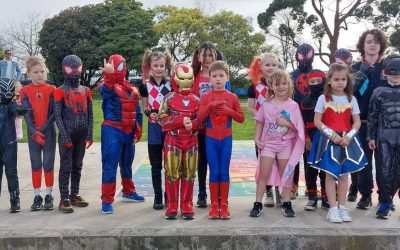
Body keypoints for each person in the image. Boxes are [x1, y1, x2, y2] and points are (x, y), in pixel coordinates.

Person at [308, 63, 367, 223]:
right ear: (329, 81)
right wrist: (332, 135)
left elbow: (356, 122)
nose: (340, 82)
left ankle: (342, 207)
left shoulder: (351, 99)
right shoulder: (323, 98)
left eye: (343, 79)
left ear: (347, 81)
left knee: (344, 175)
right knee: (330, 174)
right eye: (336, 79)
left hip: (347, 141)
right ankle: (332, 209)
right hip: (328, 141)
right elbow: (317, 121)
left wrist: (348, 137)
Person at [249, 69, 305, 218]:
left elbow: (297, 127)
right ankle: (257, 203)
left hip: (285, 146)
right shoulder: (267, 105)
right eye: (277, 84)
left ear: (289, 85)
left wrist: (287, 123)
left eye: (284, 84)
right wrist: (257, 138)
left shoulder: (293, 106)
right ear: (271, 86)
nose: (281, 87)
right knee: (263, 174)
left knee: (286, 175)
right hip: (268, 145)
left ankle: (286, 203)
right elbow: (260, 121)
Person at [197, 61, 244, 219]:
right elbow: (199, 118)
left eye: (221, 75)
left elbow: (241, 118)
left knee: (224, 171)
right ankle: (214, 205)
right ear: (209, 79)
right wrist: (210, 107)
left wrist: (228, 110)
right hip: (210, 138)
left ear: (227, 78)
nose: (218, 79)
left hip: (226, 139)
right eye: (214, 76)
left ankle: (224, 204)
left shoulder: (232, 97)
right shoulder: (206, 97)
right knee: (214, 171)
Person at [99, 55, 144, 214]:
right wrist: (109, 75)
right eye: (117, 66)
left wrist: (138, 129)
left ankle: (128, 191)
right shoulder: (106, 86)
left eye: (120, 66)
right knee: (109, 165)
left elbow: (137, 111)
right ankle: (106, 199)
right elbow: (105, 91)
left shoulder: (131, 88)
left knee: (127, 163)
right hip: (112, 129)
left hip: (128, 130)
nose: (119, 69)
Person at [349, 29, 387, 208]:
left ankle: (384, 197)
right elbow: (348, 93)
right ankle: (365, 195)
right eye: (369, 41)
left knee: (385, 163)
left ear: (381, 46)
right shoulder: (354, 68)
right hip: (361, 122)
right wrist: (361, 73)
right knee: (363, 163)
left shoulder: (389, 66)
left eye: (376, 42)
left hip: (384, 124)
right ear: (362, 45)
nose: (372, 45)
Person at [191, 41, 231, 208]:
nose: (207, 58)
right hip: (201, 126)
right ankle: (202, 193)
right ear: (199, 56)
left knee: (219, 163)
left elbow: (228, 99)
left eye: (210, 55)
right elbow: (190, 99)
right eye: (204, 55)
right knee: (202, 161)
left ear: (216, 55)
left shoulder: (221, 75)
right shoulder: (193, 75)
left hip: (218, 127)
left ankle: (220, 195)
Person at [159, 63, 200, 220]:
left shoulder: (197, 99)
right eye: (182, 78)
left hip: (191, 140)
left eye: (188, 78)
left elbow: (201, 121)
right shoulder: (168, 98)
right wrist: (181, 120)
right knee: (172, 173)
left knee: (189, 173)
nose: (185, 82)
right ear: (174, 78)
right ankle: (172, 205)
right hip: (173, 140)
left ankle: (187, 204)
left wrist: (193, 124)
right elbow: (162, 120)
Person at [54, 55, 94, 213]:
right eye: (71, 69)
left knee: (78, 165)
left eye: (77, 68)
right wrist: (63, 135)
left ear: (81, 67)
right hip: (68, 133)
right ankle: (64, 198)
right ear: (64, 69)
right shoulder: (59, 91)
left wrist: (90, 133)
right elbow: (58, 116)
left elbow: (90, 114)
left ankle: (74, 194)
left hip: (81, 133)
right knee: (66, 166)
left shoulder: (86, 90)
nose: (75, 72)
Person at [20, 56, 56, 211]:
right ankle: (37, 195)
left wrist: (45, 127)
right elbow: (26, 113)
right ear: (29, 73)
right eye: (35, 72)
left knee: (48, 164)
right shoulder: (24, 91)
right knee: (36, 164)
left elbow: (54, 112)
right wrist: (34, 130)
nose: (39, 75)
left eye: (42, 71)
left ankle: (49, 194)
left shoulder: (52, 89)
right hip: (33, 133)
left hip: (49, 132)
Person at [367, 55, 400, 219]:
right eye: (392, 71)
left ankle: (390, 198)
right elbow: (372, 115)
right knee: (384, 170)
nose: (395, 75)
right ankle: (385, 202)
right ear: (386, 73)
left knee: (398, 172)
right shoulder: (378, 92)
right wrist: (371, 136)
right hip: (384, 136)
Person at [247, 53, 282, 207]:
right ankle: (267, 191)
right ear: (260, 67)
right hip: (262, 131)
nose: (271, 68)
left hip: (280, 130)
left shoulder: (283, 84)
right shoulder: (254, 86)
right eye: (267, 65)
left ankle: (278, 191)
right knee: (265, 162)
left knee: (280, 161)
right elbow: (250, 108)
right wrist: (264, 117)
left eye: (274, 65)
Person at [140, 50, 172, 210]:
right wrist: (149, 113)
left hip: (168, 129)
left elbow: (174, 104)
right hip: (153, 129)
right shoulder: (145, 85)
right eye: (156, 65)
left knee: (169, 165)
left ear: (165, 66)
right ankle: (158, 197)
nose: (159, 68)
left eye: (162, 65)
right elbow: (144, 105)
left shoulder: (172, 84)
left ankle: (169, 197)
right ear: (150, 67)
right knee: (156, 165)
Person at [300, 70, 329, 211]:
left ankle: (326, 196)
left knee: (326, 169)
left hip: (327, 139)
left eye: (319, 81)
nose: (315, 84)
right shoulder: (305, 103)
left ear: (324, 82)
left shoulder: (331, 100)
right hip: (311, 140)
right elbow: (302, 123)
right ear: (308, 84)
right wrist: (306, 139)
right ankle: (312, 198)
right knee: (310, 169)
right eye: (312, 82)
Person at [290, 43, 315, 199]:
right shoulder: (291, 76)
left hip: (313, 119)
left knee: (310, 154)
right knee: (294, 154)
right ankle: (293, 184)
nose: (305, 57)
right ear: (297, 55)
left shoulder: (319, 74)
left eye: (308, 54)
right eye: (301, 54)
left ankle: (310, 186)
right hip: (294, 119)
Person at [0, 78, 28, 213]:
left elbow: (18, 109)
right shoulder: (9, 104)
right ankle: (15, 202)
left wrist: (23, 109)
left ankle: (15, 201)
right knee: (11, 173)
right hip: (8, 142)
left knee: (11, 172)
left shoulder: (10, 105)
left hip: (9, 143)